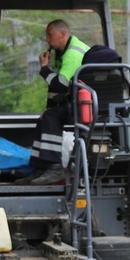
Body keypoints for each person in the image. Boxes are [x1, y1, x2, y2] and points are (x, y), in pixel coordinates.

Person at [30, 19, 91, 169]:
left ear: (63, 34)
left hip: (84, 104)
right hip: (74, 101)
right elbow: (55, 89)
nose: (47, 39)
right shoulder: (61, 52)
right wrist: (48, 108)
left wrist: (44, 68)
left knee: (51, 117)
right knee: (45, 118)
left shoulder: (72, 54)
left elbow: (60, 85)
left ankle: (54, 167)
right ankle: (39, 168)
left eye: (50, 35)